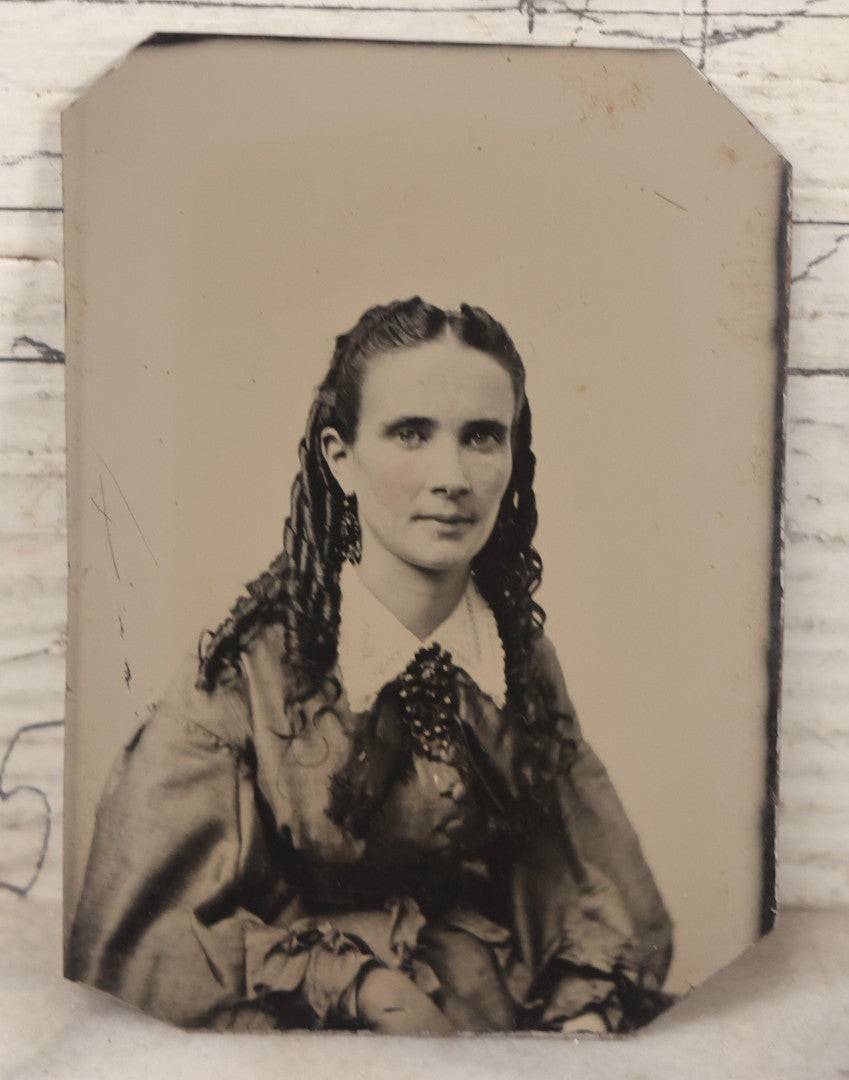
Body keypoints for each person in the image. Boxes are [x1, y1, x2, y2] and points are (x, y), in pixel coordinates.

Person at [67, 297, 673, 1034]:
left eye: (482, 436)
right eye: (410, 433)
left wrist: (584, 1017)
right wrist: (359, 988)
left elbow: (590, 884)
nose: (452, 475)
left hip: (482, 1014)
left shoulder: (514, 660)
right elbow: (142, 949)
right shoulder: (246, 675)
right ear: (340, 456)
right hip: (296, 1033)